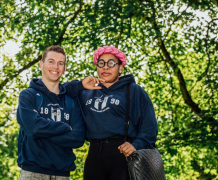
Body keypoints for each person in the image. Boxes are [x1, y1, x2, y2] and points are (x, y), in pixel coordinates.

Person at [65, 46, 158, 180]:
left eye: (111, 63)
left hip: (123, 153)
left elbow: (149, 128)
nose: (105, 67)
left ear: (120, 68)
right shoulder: (86, 91)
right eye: (101, 63)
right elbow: (60, 91)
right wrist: (80, 85)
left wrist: (135, 145)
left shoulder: (133, 90)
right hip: (94, 154)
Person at [17, 45, 88, 180]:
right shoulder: (28, 96)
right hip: (32, 173)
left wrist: (41, 131)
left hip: (62, 175)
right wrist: (65, 128)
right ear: (41, 65)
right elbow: (34, 129)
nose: (55, 67)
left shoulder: (71, 101)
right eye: (51, 61)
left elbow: (78, 138)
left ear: (64, 68)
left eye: (60, 63)